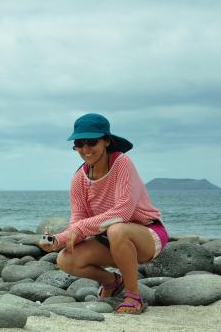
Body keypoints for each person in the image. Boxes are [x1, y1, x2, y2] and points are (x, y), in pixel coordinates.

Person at [39, 113, 168, 314]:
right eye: (79, 144)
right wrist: (58, 240)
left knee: (117, 230)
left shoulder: (122, 163)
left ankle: (134, 296)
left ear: (106, 141)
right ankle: (112, 282)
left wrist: (80, 228)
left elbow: (123, 211)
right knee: (65, 259)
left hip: (146, 235)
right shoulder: (79, 179)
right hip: (109, 240)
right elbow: (78, 220)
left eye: (91, 142)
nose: (85, 149)